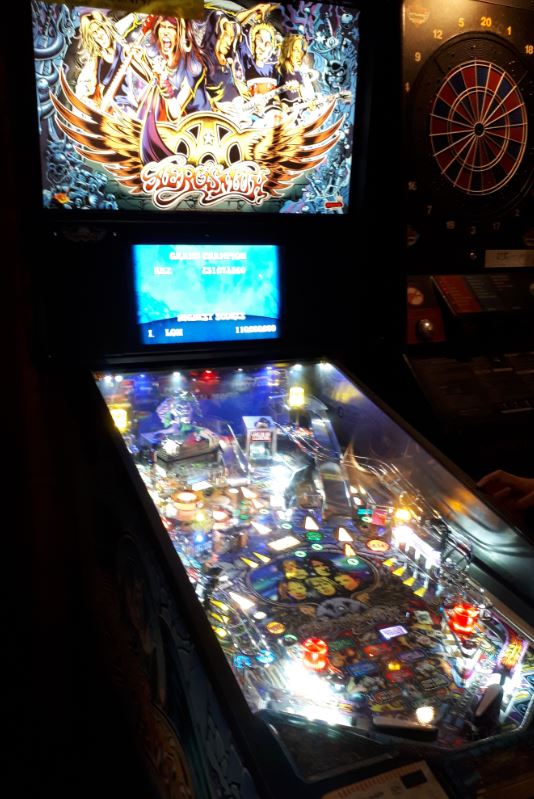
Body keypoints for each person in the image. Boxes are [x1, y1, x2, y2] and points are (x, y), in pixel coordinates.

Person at [75, 11, 150, 113]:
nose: (99, 36)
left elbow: (136, 16)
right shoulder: (94, 61)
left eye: (99, 29)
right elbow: (82, 87)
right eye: (94, 34)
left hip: (130, 106)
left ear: (105, 28)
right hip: (109, 111)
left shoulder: (121, 43)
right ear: (92, 38)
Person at [147, 16, 211, 121]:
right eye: (162, 26)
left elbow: (175, 113)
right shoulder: (153, 52)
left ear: (181, 34)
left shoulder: (193, 66)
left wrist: (163, 80)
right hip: (163, 119)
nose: (165, 32)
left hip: (196, 121)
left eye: (171, 28)